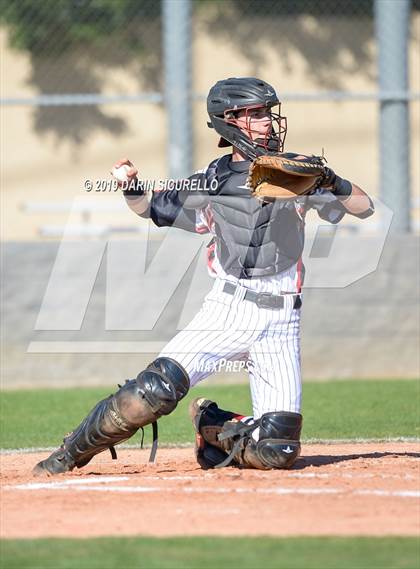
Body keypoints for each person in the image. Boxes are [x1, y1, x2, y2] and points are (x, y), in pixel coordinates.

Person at [34, 77, 374, 475]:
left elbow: (363, 208)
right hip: (229, 308)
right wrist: (131, 186)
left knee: (278, 450)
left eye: (269, 113)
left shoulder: (296, 171)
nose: (269, 122)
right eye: (258, 114)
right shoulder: (209, 180)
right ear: (230, 120)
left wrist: (333, 181)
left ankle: (212, 428)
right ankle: (68, 453)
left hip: (283, 318)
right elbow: (150, 209)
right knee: (153, 392)